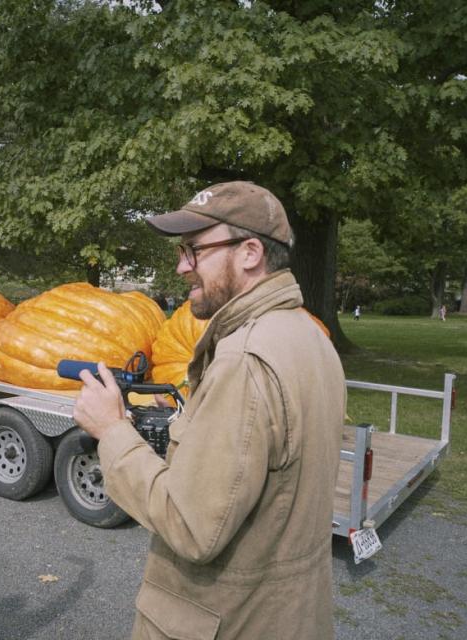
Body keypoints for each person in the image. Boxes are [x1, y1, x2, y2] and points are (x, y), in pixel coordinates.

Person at [73, 181, 346, 640]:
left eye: (194, 249)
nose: (182, 266)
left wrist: (112, 430)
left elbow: (191, 526)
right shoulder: (310, 338)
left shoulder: (244, 360)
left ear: (250, 252)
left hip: (230, 621)